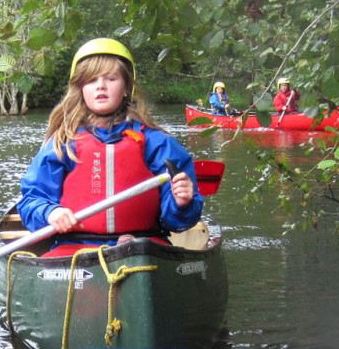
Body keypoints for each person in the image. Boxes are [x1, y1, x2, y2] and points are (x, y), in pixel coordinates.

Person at [17, 38, 202, 257]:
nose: (101, 86)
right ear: (80, 89)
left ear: (126, 87)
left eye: (111, 78)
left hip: (143, 246)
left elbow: (178, 222)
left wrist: (182, 202)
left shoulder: (157, 142)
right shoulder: (63, 143)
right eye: (91, 80)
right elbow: (32, 200)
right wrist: (49, 211)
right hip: (75, 249)